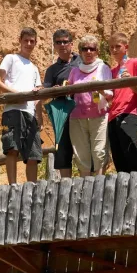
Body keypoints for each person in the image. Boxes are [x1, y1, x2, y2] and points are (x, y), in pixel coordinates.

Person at [0, 27, 42, 185]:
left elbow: (38, 94)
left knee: (33, 153)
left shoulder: (34, 68)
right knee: (12, 148)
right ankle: (12, 185)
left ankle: (32, 187)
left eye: (32, 41)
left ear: (35, 43)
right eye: (26, 40)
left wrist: (39, 115)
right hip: (13, 110)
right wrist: (16, 95)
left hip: (30, 113)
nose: (28, 43)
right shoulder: (11, 58)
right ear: (19, 41)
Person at [38, 29, 81, 179]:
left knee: (83, 149)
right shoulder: (52, 69)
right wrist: (54, 90)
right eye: (58, 42)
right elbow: (46, 91)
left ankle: (87, 184)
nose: (62, 45)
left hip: (83, 110)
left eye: (65, 42)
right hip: (62, 113)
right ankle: (66, 186)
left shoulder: (81, 61)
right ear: (54, 45)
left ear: (71, 44)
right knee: (63, 150)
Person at [67, 35, 113, 176]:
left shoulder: (103, 68)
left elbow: (110, 94)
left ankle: (99, 187)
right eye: (84, 49)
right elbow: (69, 92)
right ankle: (84, 189)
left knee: (99, 152)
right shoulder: (74, 71)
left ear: (97, 51)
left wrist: (100, 90)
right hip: (77, 118)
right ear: (80, 52)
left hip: (98, 116)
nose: (88, 52)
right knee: (81, 155)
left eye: (91, 49)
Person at [107, 32, 137, 173]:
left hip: (129, 111)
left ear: (126, 47)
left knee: (130, 146)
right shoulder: (112, 71)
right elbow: (111, 96)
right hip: (112, 115)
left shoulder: (136, 63)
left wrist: (130, 81)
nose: (114, 50)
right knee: (118, 155)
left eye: (117, 46)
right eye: (111, 47)